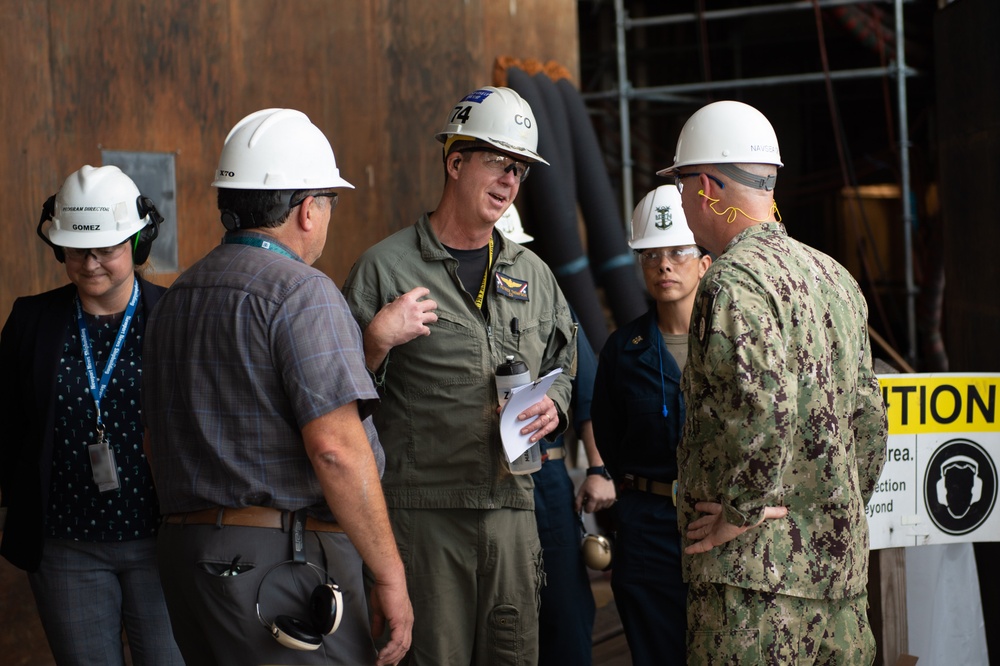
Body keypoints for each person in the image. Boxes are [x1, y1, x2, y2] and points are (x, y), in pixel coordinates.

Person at [141, 108, 412, 666]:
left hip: (186, 559)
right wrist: (389, 574)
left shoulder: (175, 298)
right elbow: (336, 450)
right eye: (329, 203)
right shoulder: (303, 292)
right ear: (309, 209)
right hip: (279, 564)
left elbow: (151, 441)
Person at [342, 86, 577, 665]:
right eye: (499, 163)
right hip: (424, 517)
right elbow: (335, 405)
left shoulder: (534, 273)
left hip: (511, 511)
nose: (509, 182)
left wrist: (556, 406)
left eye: (519, 170)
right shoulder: (385, 269)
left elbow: (563, 363)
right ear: (455, 162)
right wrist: (375, 341)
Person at [658, 100, 888, 665]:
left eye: (683, 185)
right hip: (840, 587)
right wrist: (825, 506)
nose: (682, 203)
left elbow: (765, 411)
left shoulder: (732, 281)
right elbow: (871, 424)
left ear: (709, 185)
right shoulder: (835, 276)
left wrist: (739, 513)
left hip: (756, 594)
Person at [0, 165, 182, 665]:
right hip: (66, 546)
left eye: (107, 248)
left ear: (139, 244)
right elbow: (9, 425)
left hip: (161, 541)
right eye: (78, 249)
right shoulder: (30, 321)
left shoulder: (173, 318)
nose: (91, 262)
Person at [591, 184, 711, 664]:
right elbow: (610, 439)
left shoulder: (734, 341)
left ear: (704, 261)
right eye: (650, 255)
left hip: (720, 525)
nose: (664, 265)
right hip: (650, 531)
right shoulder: (624, 351)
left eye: (678, 252)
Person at [498, 205, 616, 665]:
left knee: (563, 609)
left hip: (542, 478)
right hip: (469, 482)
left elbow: (587, 391)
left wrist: (599, 468)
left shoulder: (545, 298)